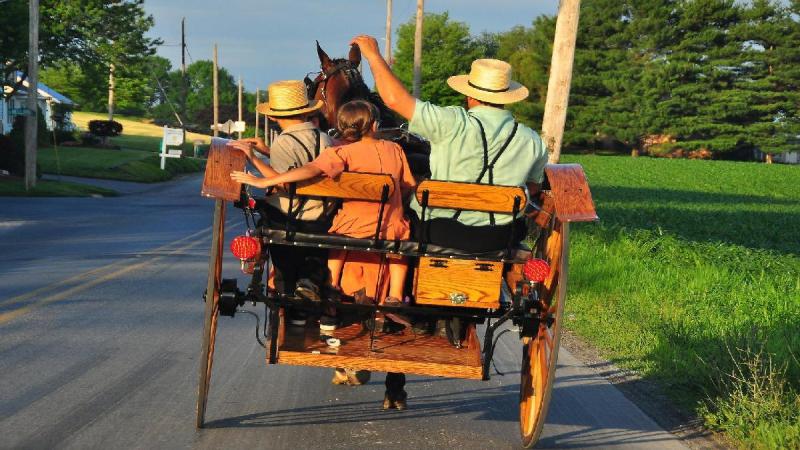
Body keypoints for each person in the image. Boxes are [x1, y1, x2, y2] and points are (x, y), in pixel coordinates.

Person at [350, 35, 549, 252]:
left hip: (439, 232)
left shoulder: (452, 122)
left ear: (469, 96)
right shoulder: (532, 140)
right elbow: (534, 186)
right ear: (506, 98)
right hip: (501, 236)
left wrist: (373, 55)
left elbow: (395, 100)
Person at [228, 80, 334, 324]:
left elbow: (281, 182)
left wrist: (253, 158)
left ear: (276, 116)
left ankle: (288, 296)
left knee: (264, 208)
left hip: (291, 217)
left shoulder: (284, 142)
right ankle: (310, 284)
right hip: (321, 217)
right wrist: (267, 152)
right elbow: (307, 166)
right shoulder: (324, 138)